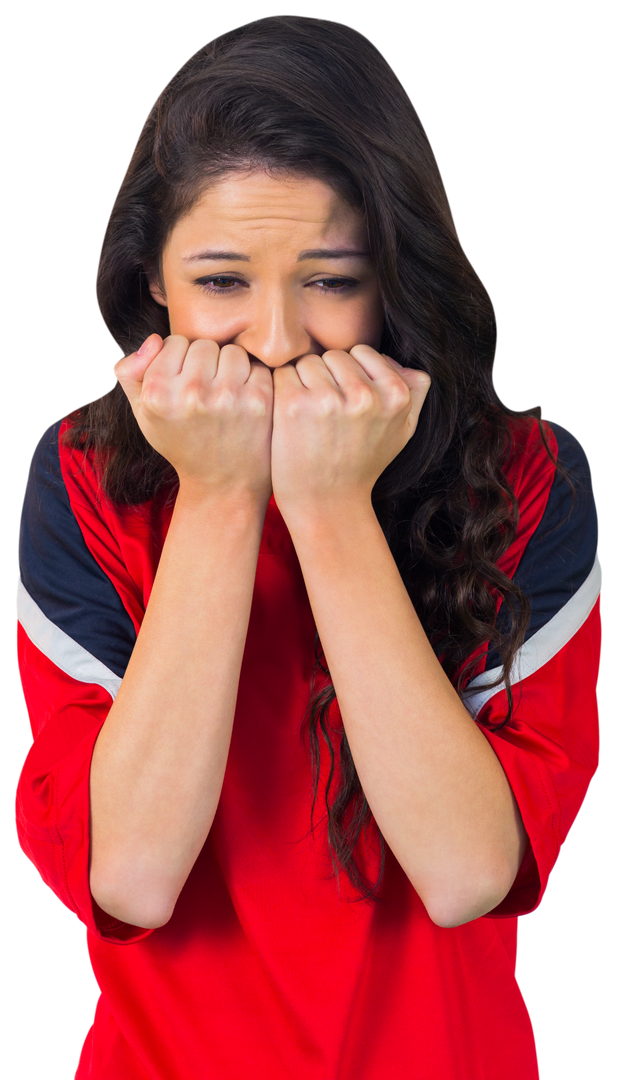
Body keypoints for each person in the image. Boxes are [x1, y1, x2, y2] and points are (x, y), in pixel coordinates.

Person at [13, 13, 603, 1079]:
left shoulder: (526, 476)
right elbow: (131, 879)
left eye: (330, 281)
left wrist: (327, 507)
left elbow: (468, 868)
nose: (278, 342)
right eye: (223, 283)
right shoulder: (81, 477)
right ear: (151, 278)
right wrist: (221, 492)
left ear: (394, 275)